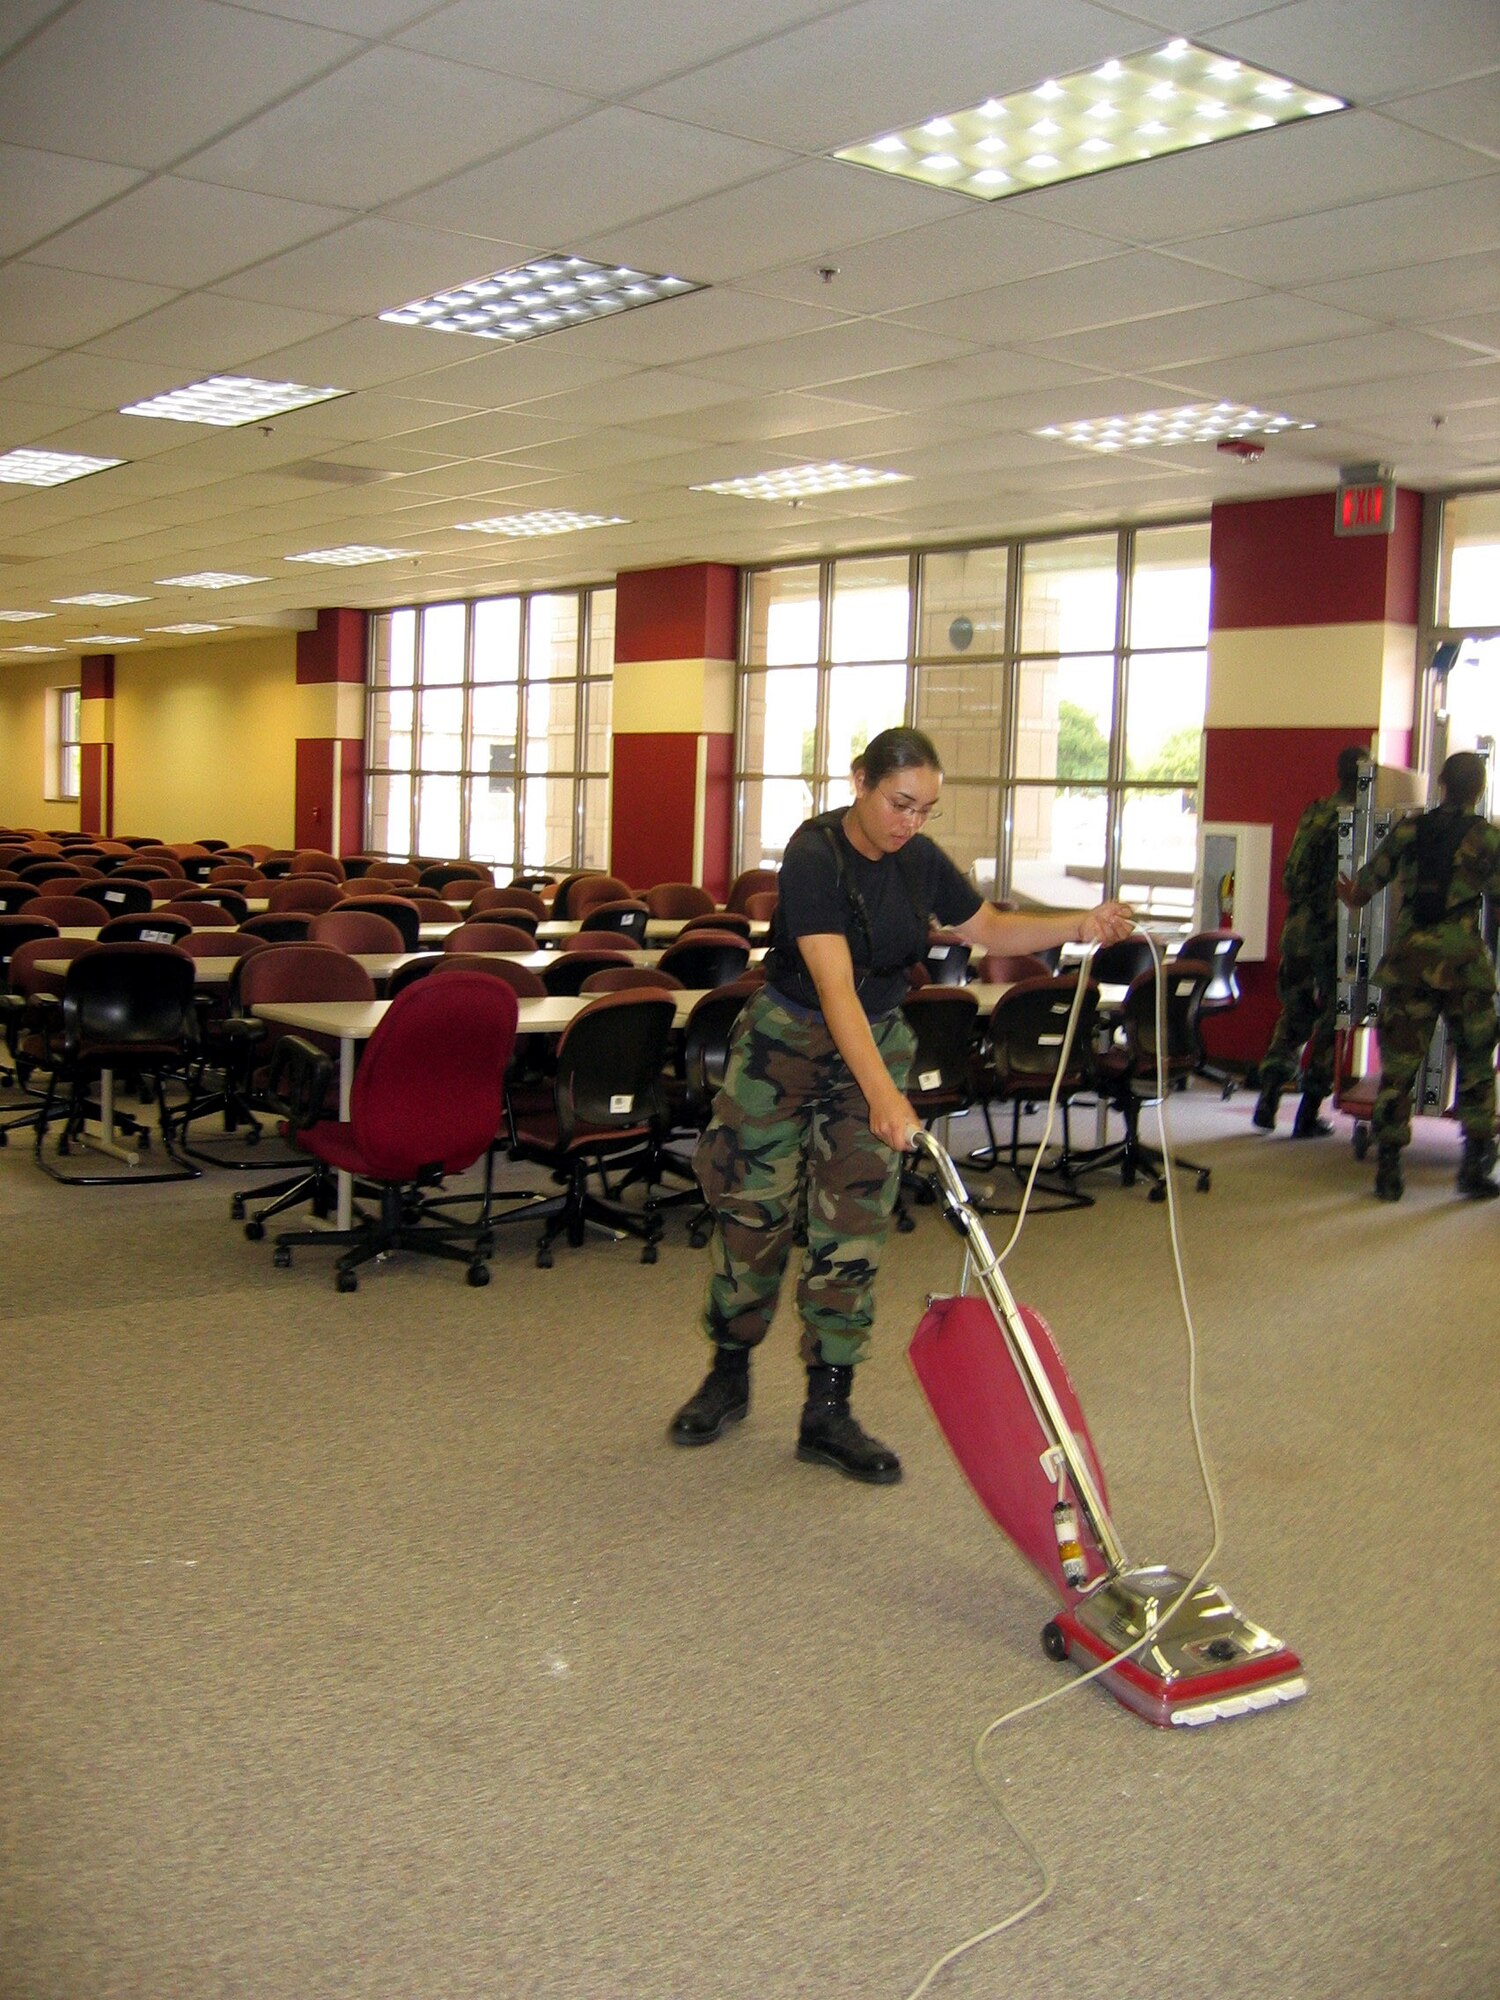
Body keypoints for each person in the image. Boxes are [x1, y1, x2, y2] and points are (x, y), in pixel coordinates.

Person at [669, 726, 1135, 1483]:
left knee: (852, 1224)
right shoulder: (814, 853)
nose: (909, 822)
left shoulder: (917, 861)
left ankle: (828, 1408)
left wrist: (1077, 926)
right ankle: (728, 1370)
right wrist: (886, 1099)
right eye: (899, 803)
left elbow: (984, 926)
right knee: (753, 1214)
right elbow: (831, 985)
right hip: (786, 1041)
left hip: (874, 1036)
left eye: (924, 810)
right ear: (860, 781)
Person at [1337, 750, 1500, 1202]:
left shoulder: (1410, 830)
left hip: (1410, 965)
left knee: (1399, 1069)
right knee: (1475, 1066)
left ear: (1442, 784)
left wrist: (1350, 893)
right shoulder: (1489, 838)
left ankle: (1388, 1169)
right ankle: (1474, 1167)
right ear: (1480, 788)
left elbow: (1362, 890)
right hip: (1465, 968)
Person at [1254, 745, 1366, 1136]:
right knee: (1332, 1021)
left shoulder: (1315, 811)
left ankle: (1268, 1096)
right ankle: (1308, 1112)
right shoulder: (1358, 819)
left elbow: (1291, 878)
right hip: (1332, 935)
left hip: (1297, 933)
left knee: (1294, 1015)